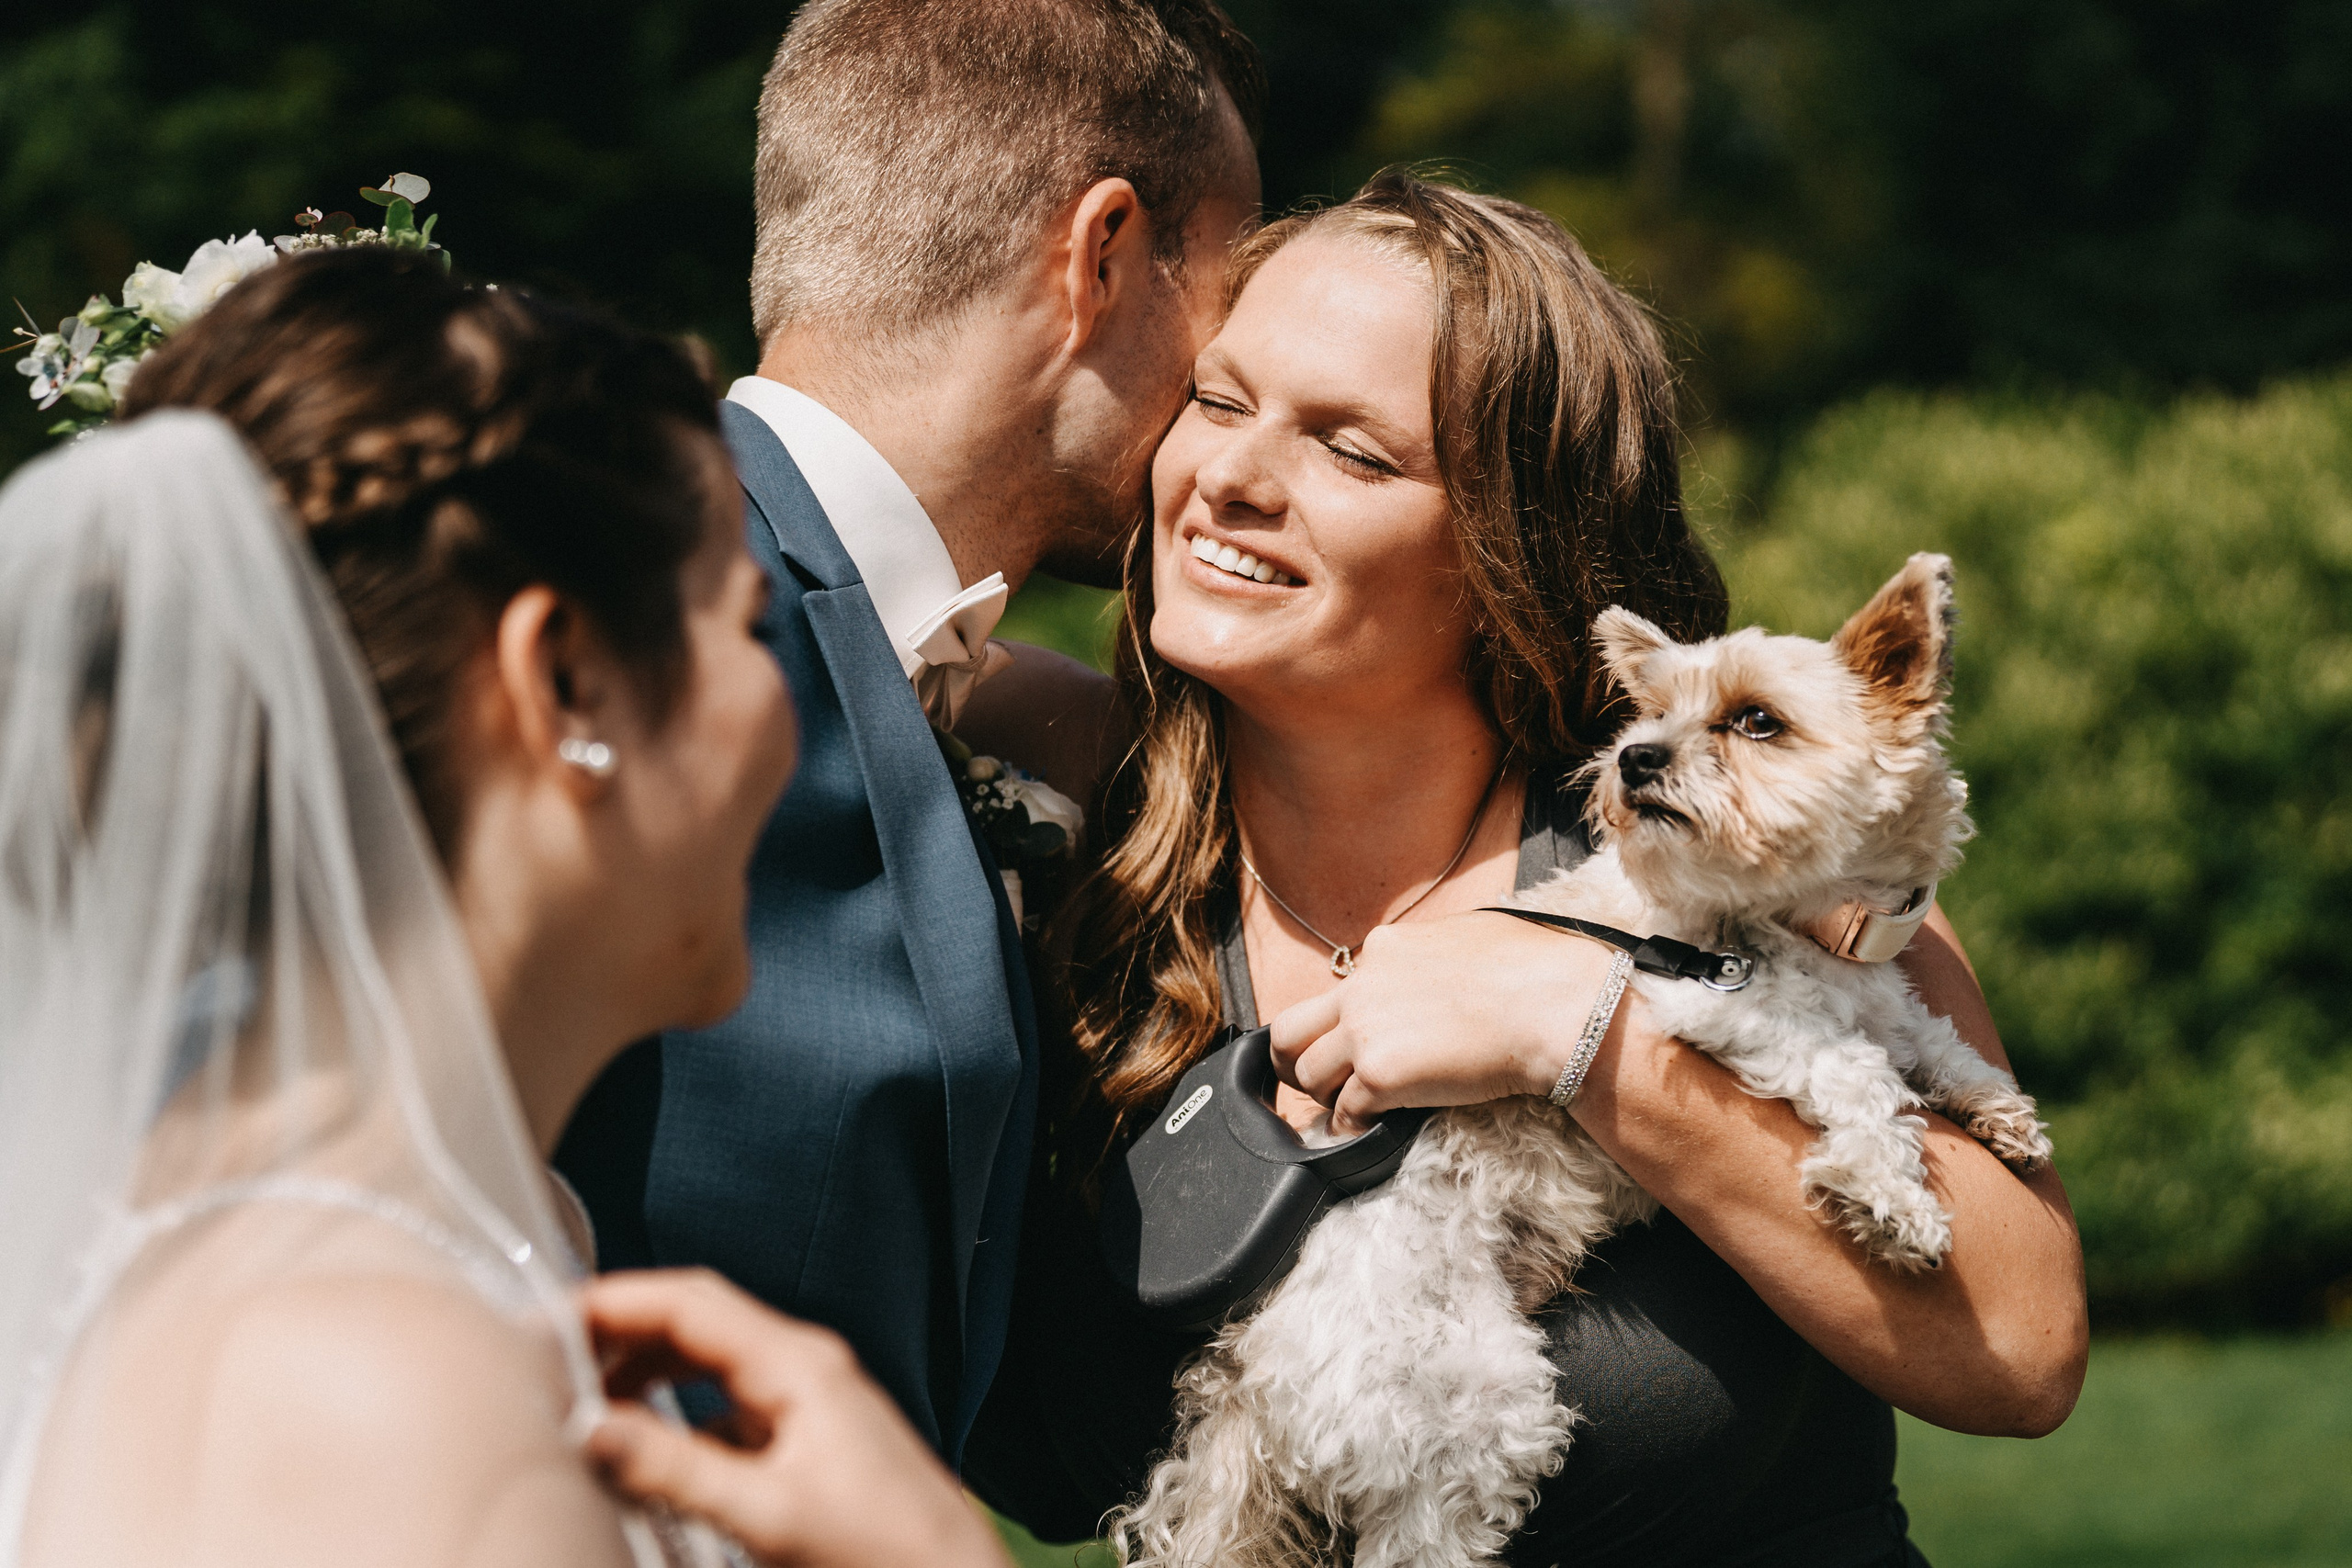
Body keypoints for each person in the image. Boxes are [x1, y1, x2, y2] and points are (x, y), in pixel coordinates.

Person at [956, 172, 2090, 1565]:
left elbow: (2023, 1348)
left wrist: (1582, 1032)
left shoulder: (1735, 868)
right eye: (1221, 398)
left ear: (1508, 552)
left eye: (1354, 453)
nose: (1232, 479)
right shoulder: (1051, 803)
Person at [0, 245, 1006, 1568]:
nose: (780, 709)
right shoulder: (393, 1389)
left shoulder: (454, 1244)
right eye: (745, 626)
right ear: (567, 684)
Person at [554, 0, 1266, 1465]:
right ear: (1103, 256)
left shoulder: (937, 671)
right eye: (1234, 305)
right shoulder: (608, 601)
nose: (1234, 401)